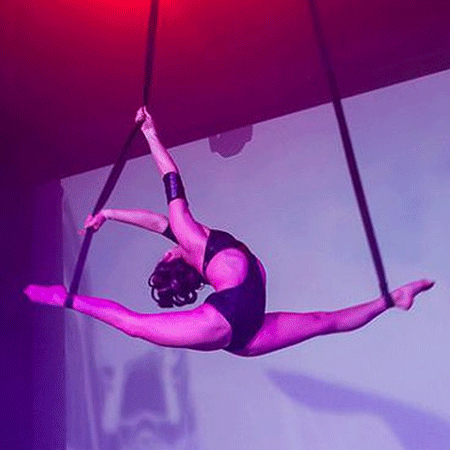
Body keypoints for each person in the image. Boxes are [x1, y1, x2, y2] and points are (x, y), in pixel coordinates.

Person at [24, 107, 434, 357]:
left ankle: (392, 299)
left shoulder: (194, 246)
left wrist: (110, 213)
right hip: (230, 320)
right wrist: (150, 133)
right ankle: (64, 297)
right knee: (135, 325)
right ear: (171, 257)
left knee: (323, 321)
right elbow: (171, 180)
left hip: (242, 333)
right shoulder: (193, 239)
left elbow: (157, 223)